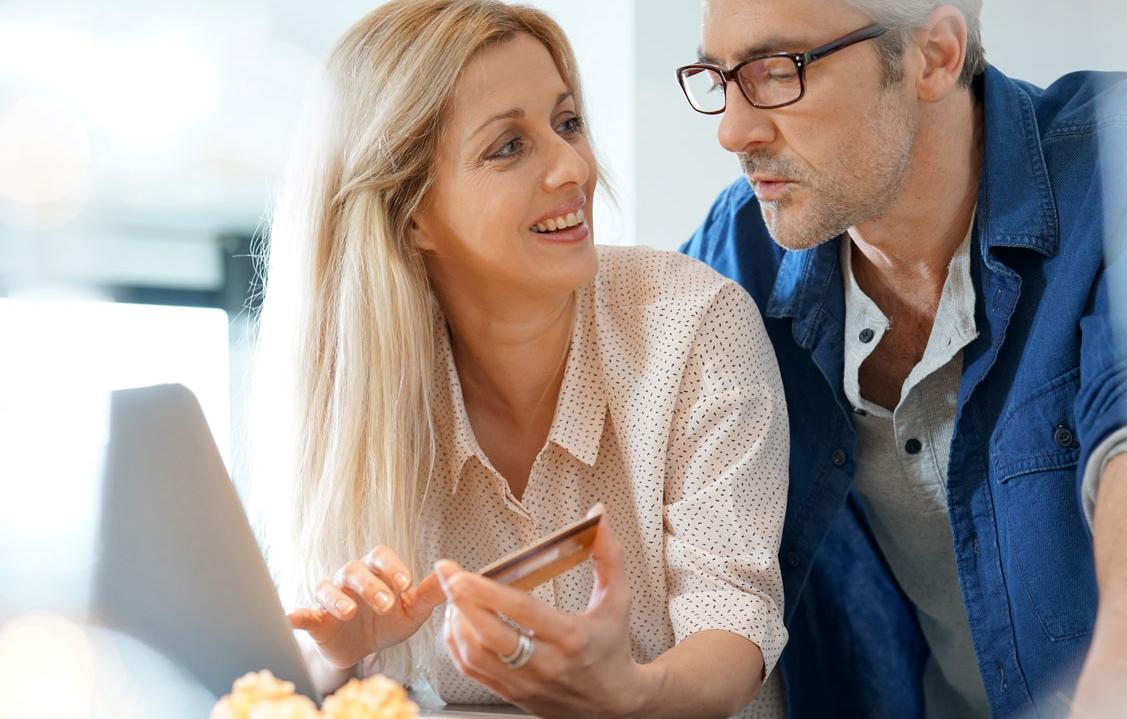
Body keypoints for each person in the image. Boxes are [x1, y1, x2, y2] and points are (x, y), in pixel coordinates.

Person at [679, 1, 1127, 717]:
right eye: (719, 79)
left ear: (933, 55)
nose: (731, 130)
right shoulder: (741, 251)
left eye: (779, 73)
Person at [252, 1, 789, 717]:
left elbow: (735, 620)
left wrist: (629, 693)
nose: (573, 166)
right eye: (509, 146)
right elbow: (290, 681)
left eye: (567, 123)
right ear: (412, 215)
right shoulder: (362, 399)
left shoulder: (694, 326)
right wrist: (340, 654)